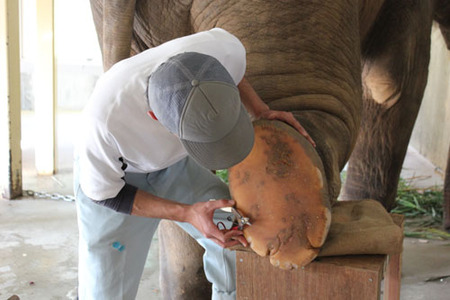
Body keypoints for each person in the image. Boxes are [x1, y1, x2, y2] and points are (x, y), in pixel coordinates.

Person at [74, 28, 314, 300]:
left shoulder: (222, 49)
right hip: (122, 184)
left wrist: (260, 110)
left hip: (177, 169)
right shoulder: (104, 121)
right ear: (155, 117)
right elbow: (107, 195)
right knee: (105, 291)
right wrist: (189, 213)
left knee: (236, 231)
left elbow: (233, 74)